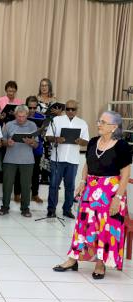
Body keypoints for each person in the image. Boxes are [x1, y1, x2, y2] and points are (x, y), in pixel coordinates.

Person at [53, 111, 131, 279]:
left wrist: (118, 198)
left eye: (103, 122)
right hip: (91, 188)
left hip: (111, 191)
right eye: (99, 120)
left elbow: (125, 175)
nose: (98, 124)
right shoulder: (93, 142)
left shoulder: (122, 146)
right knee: (83, 225)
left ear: (113, 127)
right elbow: (87, 164)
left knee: (105, 227)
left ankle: (100, 263)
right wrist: (82, 182)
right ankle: (73, 259)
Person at [45, 100, 89, 218]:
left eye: (73, 109)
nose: (70, 111)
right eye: (68, 109)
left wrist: (81, 141)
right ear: (65, 109)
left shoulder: (82, 123)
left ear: (76, 110)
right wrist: (56, 139)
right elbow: (48, 136)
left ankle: (67, 209)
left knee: (70, 186)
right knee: (54, 185)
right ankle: (51, 209)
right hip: (57, 158)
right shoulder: (56, 120)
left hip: (73, 159)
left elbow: (86, 141)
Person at [0, 105, 38, 218]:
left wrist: (31, 142)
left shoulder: (32, 125)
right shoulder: (9, 125)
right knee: (7, 185)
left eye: (23, 116)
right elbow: (2, 141)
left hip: (27, 161)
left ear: (27, 115)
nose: (21, 119)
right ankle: (5, 206)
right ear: (15, 115)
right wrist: (7, 143)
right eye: (19, 116)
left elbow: (36, 144)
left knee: (25, 186)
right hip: (10, 159)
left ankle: (25, 208)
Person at [13, 96, 45, 203]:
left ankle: (35, 194)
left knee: (35, 172)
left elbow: (44, 133)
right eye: (30, 108)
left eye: (34, 108)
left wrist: (41, 130)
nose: (32, 110)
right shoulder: (22, 117)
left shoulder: (41, 117)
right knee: (19, 171)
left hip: (35, 147)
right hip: (22, 147)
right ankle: (17, 194)